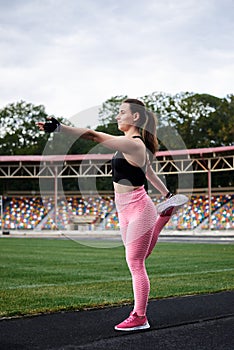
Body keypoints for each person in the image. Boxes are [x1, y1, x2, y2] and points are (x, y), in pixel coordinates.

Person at [37, 98, 188, 331]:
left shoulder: (135, 144)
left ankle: (140, 316)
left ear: (135, 117)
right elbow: (148, 170)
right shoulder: (129, 145)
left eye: (121, 112)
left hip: (139, 208)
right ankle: (162, 218)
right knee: (139, 258)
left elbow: (92, 135)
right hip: (124, 210)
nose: (117, 116)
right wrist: (167, 194)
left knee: (135, 262)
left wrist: (59, 128)